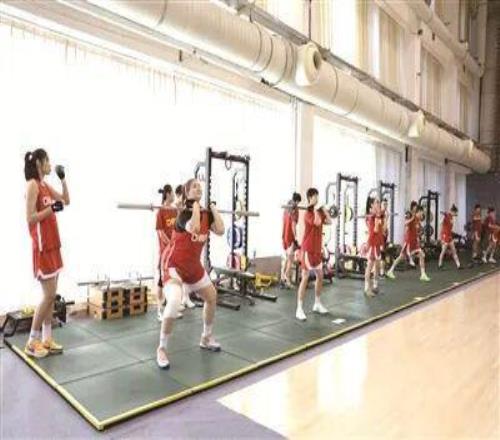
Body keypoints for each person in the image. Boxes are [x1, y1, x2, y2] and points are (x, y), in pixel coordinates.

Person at [157, 178, 224, 369]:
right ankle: (161, 348)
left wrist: (213, 209)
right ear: (187, 193)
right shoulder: (184, 215)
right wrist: (195, 206)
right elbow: (194, 227)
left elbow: (220, 230)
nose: (198, 188)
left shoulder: (205, 214)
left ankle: (206, 337)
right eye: (194, 187)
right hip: (173, 265)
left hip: (193, 266)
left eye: (200, 187)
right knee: (174, 301)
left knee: (211, 296)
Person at [24, 149, 70, 358]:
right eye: (47, 161)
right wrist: (52, 209)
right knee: (48, 295)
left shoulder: (45, 185)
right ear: (39, 163)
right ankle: (31, 342)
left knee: (51, 297)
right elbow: (30, 218)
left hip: (53, 245)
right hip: (42, 247)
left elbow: (66, 200)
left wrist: (63, 179)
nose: (50, 164)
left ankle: (47, 338)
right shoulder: (33, 185)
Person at [296, 188, 332, 321]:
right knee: (305, 278)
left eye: (318, 196)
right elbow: (317, 222)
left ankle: (317, 303)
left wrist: (324, 210)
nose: (317, 199)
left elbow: (329, 221)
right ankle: (299, 308)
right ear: (310, 198)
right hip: (307, 250)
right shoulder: (308, 213)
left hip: (317, 250)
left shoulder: (318, 211)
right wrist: (317, 209)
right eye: (315, 197)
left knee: (320, 276)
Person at [386, 204, 430, 282]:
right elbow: (405, 224)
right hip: (408, 242)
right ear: (418, 212)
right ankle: (391, 270)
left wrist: (419, 234)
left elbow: (417, 230)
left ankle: (423, 274)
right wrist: (411, 219)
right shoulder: (412, 218)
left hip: (414, 242)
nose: (422, 214)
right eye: (421, 213)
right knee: (401, 257)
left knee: (421, 255)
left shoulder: (418, 220)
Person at [155, 184, 177, 321]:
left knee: (173, 280)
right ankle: (159, 310)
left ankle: (170, 309)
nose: (174, 195)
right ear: (168, 194)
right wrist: (170, 244)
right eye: (173, 193)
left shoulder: (175, 210)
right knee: (161, 281)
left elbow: (179, 228)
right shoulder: (160, 211)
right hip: (165, 252)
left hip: (174, 251)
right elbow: (160, 232)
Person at [281, 192, 301, 288]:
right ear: (297, 201)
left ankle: (282, 278)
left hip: (284, 236)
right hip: (290, 237)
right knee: (290, 259)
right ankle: (287, 280)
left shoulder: (286, 208)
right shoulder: (295, 209)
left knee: (286, 258)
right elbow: (293, 225)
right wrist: (295, 237)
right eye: (298, 202)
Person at [364, 197, 382, 297]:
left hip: (378, 244)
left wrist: (383, 217)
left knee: (377, 266)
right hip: (372, 244)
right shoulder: (372, 217)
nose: (378, 204)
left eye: (378, 202)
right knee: (369, 266)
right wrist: (368, 245)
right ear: (372, 205)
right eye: (376, 202)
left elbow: (382, 230)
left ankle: (375, 286)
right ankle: (367, 289)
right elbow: (374, 230)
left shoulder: (376, 216)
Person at [438, 204, 461, 269]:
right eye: (455, 212)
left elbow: (450, 227)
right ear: (452, 211)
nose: (456, 214)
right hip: (445, 236)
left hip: (449, 236)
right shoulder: (446, 216)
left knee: (454, 250)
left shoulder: (451, 217)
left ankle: (458, 265)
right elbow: (440, 223)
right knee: (443, 251)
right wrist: (443, 217)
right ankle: (440, 264)